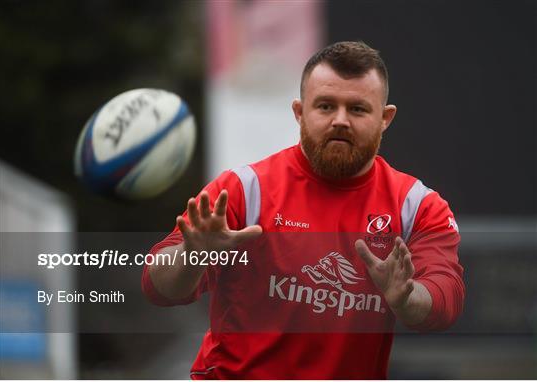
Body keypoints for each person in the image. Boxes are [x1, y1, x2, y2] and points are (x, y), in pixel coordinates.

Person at [142, 41, 465, 379]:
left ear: (385, 118)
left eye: (357, 109)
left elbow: (447, 298)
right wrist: (192, 256)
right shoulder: (243, 189)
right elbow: (157, 287)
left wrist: (407, 298)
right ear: (299, 112)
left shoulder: (416, 205)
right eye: (326, 106)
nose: (340, 121)